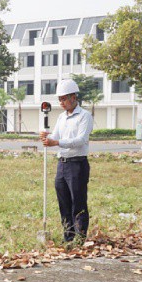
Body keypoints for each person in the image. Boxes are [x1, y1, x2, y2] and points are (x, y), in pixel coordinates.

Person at [39, 79, 94, 243]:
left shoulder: (84, 116)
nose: (61, 102)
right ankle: (68, 236)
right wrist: (46, 137)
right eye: (59, 99)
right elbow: (55, 137)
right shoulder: (61, 118)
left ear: (73, 97)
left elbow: (81, 140)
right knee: (63, 202)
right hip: (62, 164)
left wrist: (56, 143)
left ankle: (80, 237)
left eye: (64, 99)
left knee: (78, 202)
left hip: (77, 164)